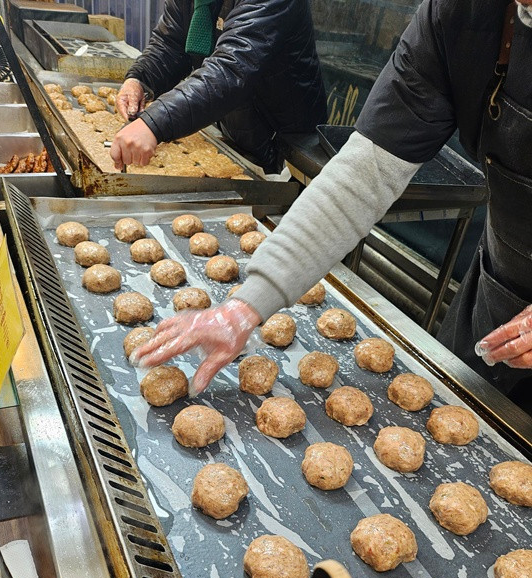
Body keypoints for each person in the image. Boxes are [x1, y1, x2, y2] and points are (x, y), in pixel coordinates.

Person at [134, 0, 532, 411]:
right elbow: (368, 169)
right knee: (471, 419)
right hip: (500, 288)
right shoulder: (461, 15)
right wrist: (245, 305)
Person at [110, 0, 326, 173]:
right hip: (238, 126)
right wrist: (139, 79)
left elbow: (231, 69)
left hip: (285, 147)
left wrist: (154, 124)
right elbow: (172, 45)